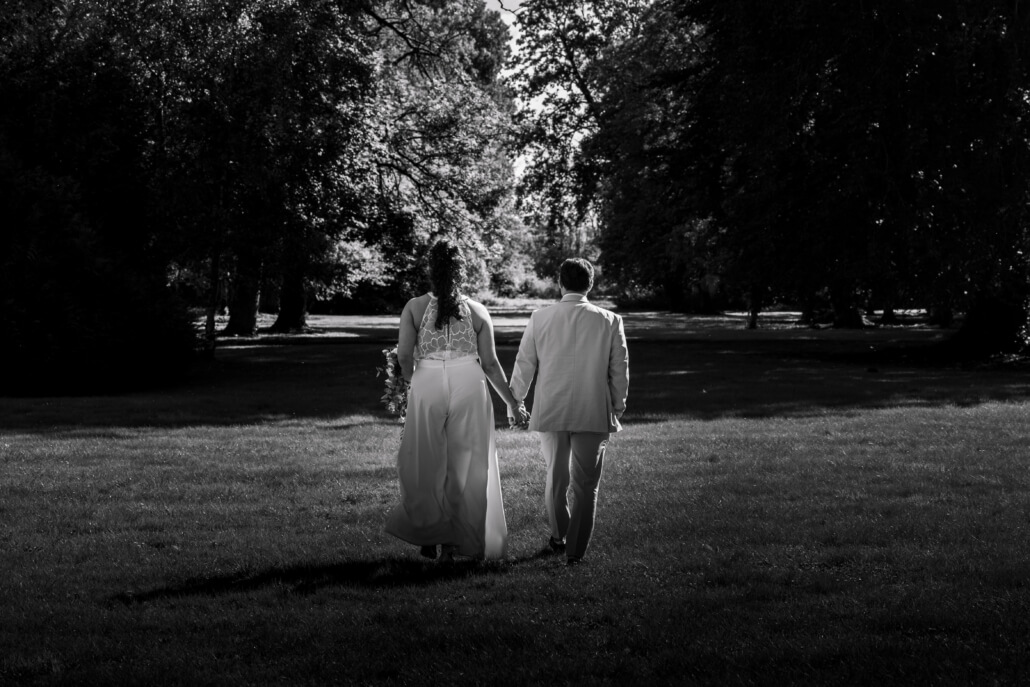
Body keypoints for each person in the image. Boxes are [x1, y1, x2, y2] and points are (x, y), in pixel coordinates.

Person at [385, 240, 528, 562]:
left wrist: (414, 386)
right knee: (467, 462)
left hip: (427, 381)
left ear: (431, 270)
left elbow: (405, 356)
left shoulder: (414, 307)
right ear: (461, 271)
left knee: (423, 460)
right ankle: (456, 542)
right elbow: (490, 364)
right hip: (469, 382)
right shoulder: (477, 310)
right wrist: (512, 403)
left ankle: (429, 531)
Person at [509, 258, 629, 566]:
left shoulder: (540, 317)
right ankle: (575, 552)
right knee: (586, 485)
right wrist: (617, 406)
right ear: (590, 284)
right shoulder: (610, 320)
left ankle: (559, 535)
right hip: (593, 408)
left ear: (560, 283)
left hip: (552, 407)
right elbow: (619, 369)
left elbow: (524, 363)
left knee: (556, 476)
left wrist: (516, 402)